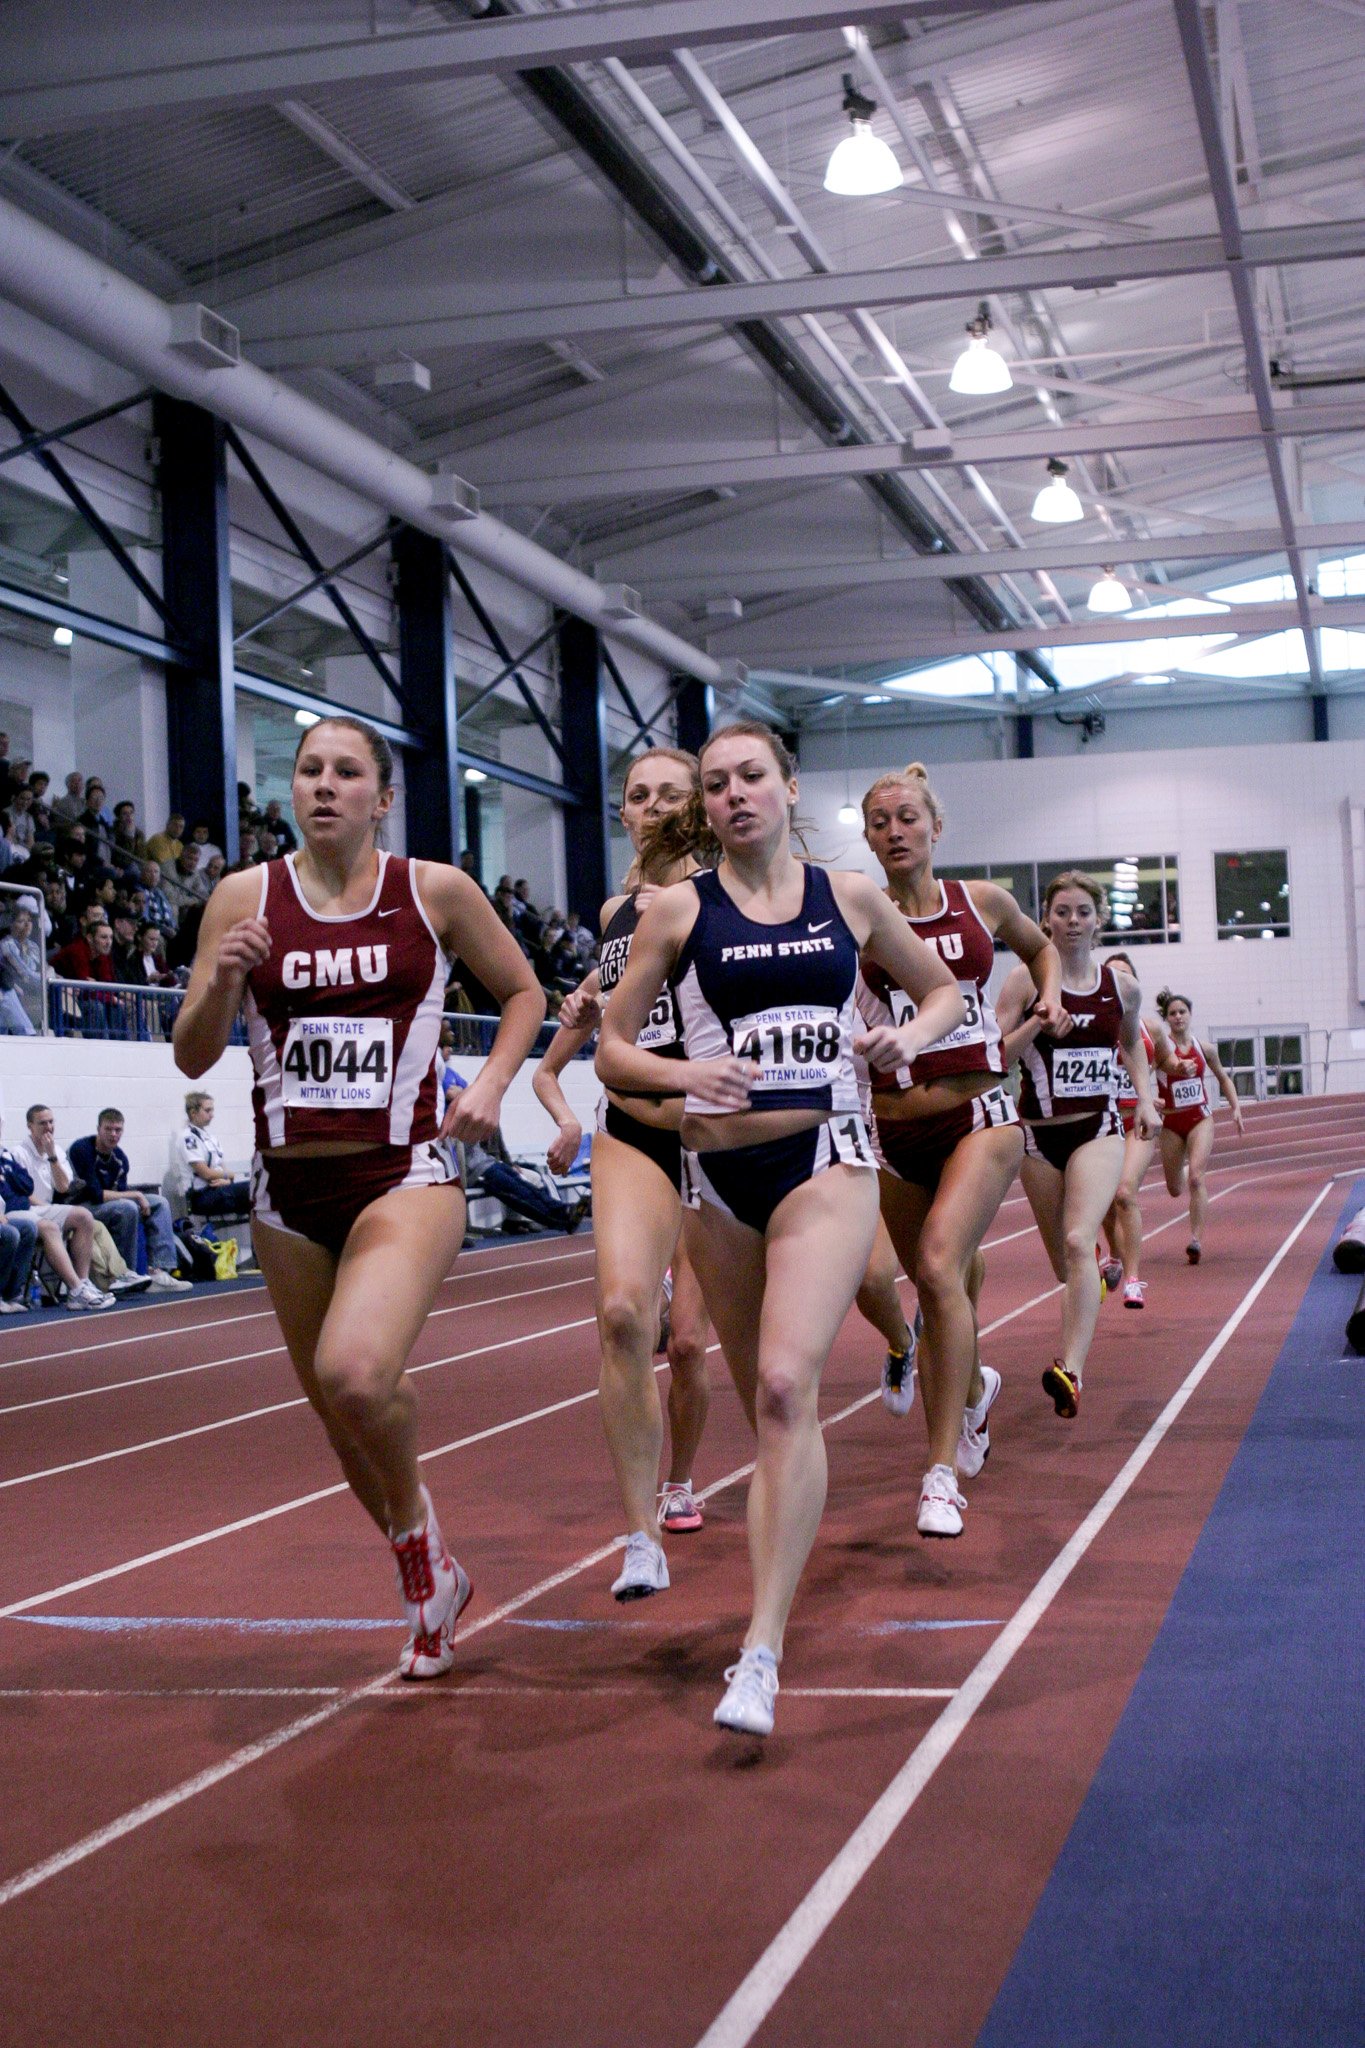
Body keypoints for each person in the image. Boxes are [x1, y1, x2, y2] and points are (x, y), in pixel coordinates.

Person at [595, 720, 964, 1738]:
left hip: (826, 1158)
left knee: (784, 1385)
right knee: (766, 1413)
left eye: (751, 776)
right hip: (717, 1170)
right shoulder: (676, 910)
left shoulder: (848, 896)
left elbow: (940, 990)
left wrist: (904, 1035)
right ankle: (754, 1611)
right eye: (715, 786)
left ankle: (759, 1648)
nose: (733, 795)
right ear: (704, 807)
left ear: (788, 787)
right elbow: (613, 1052)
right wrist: (683, 1074)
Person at [173, 713, 545, 1680]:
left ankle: (420, 1546)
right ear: (289, 791)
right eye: (307, 772)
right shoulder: (242, 897)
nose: (324, 786)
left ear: (381, 797)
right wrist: (220, 979)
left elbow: (523, 993)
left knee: (355, 1372)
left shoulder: (433, 891)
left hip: (404, 1172)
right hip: (285, 1194)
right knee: (340, 1416)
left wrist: (494, 1087)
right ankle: (425, 1561)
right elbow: (191, 1053)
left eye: (345, 773)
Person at [857, 765, 1063, 1534]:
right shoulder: (857, 915)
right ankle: (972, 1392)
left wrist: (1046, 991)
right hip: (891, 1126)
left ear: (933, 827)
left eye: (906, 817)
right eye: (879, 822)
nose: (894, 831)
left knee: (941, 1268)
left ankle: (939, 1475)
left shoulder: (980, 903)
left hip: (979, 1110)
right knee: (934, 1286)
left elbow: (1037, 947)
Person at [533, 747, 716, 1592]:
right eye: (636, 795)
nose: (650, 808)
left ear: (699, 806)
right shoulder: (613, 910)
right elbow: (603, 1015)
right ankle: (642, 1528)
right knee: (621, 1318)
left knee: (696, 1345)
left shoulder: (725, 900)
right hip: (631, 1129)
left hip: (717, 1135)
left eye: (667, 794)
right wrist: (588, 1007)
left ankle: (686, 1474)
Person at [997, 873, 1159, 1421]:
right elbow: (996, 1054)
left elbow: (1133, 1042)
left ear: (1099, 919)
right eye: (1062, 912)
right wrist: (1037, 1024)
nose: (1072, 921)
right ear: (1045, 919)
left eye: (1083, 912)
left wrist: (1148, 1100)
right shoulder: (1023, 981)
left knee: (1076, 1236)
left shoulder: (1122, 988)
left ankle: (1070, 1369)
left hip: (1098, 1128)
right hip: (1039, 1137)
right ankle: (1095, 1277)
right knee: (1067, 1268)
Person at [1098, 950, 1180, 1308]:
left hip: (1137, 1122)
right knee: (1102, 1201)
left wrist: (1151, 1095)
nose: (1119, 981)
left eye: (1125, 975)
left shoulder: (1150, 1027)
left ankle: (1133, 1278)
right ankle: (1115, 1252)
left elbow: (1163, 1060)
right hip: (1102, 1122)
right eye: (1111, 975)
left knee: (1125, 1193)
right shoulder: (1092, 1023)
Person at [1154, 988, 1245, 1263]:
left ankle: (1195, 1240)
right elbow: (1138, 1076)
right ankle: (1184, 1167)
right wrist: (1147, 1101)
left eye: (1182, 1012)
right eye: (1173, 1013)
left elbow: (1223, 1078)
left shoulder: (1205, 1049)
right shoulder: (1161, 1051)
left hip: (1200, 1119)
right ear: (1166, 1019)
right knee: (1174, 1188)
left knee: (1196, 1178)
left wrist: (1236, 1107)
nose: (1178, 1016)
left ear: (1190, 1015)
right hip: (1170, 1121)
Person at [68, 1109, 192, 1291]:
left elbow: (120, 1191)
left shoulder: (120, 1158)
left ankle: (159, 1270)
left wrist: (138, 1198)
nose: (113, 1134)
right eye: (108, 1129)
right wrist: (137, 1195)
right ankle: (126, 1272)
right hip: (81, 1207)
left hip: (108, 1205)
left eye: (118, 1130)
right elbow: (95, 1194)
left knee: (159, 1203)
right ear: (98, 1129)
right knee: (127, 1207)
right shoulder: (82, 1150)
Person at [13, 1105, 115, 1309]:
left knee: (84, 1216)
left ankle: (83, 1283)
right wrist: (49, 1212)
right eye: (42, 1123)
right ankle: (76, 1290)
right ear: (30, 1126)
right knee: (50, 1226)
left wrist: (52, 1156)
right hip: (26, 1209)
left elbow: (63, 1186)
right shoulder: (19, 1153)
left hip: (46, 1208)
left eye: (51, 1122)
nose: (49, 1127)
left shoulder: (56, 1151)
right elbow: (23, 1192)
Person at [165, 1090, 252, 1217]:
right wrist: (230, 1175)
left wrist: (227, 1181)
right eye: (207, 1110)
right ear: (193, 1113)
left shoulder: (210, 1138)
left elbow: (223, 1169)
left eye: (212, 1110)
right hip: (202, 1197)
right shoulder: (188, 1138)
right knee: (251, 1189)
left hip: (219, 1190)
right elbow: (206, 1173)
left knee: (256, 1196)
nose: (212, 1115)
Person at [0, 1131, 41, 1311]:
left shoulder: (5, 1157)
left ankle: (12, 1293)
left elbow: (27, 1185)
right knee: (10, 1233)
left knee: (27, 1228)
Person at [0, 901, 42, 1034]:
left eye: (29, 920)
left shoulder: (34, 946)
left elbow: (40, 969)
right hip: (18, 988)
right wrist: (47, 981)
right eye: (21, 921)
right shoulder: (7, 944)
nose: (27, 924)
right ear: (11, 924)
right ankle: (29, 1036)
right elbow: (24, 973)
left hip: (32, 991)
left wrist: (49, 976)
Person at [162, 843, 209, 917]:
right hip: (165, 902)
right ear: (181, 856)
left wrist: (193, 902)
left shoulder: (195, 872)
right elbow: (169, 896)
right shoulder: (168, 868)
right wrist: (193, 901)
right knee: (173, 908)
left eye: (196, 860)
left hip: (183, 905)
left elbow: (203, 894)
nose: (192, 863)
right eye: (190, 858)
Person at [140, 859, 176, 934]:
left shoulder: (160, 893)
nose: (153, 875)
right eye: (149, 872)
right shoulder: (139, 891)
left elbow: (169, 915)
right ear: (142, 874)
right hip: (149, 930)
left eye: (156, 872)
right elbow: (145, 919)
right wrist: (164, 930)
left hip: (166, 930)